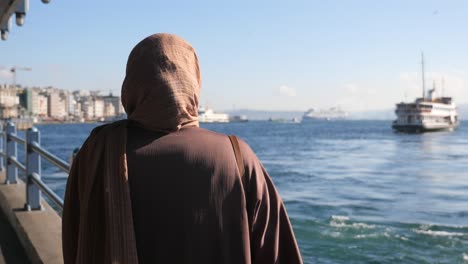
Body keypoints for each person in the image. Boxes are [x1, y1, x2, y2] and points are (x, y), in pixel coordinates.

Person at [62, 33, 303, 264]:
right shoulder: (236, 156)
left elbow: (74, 239)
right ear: (193, 82)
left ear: (132, 83)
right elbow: (278, 254)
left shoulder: (97, 151)